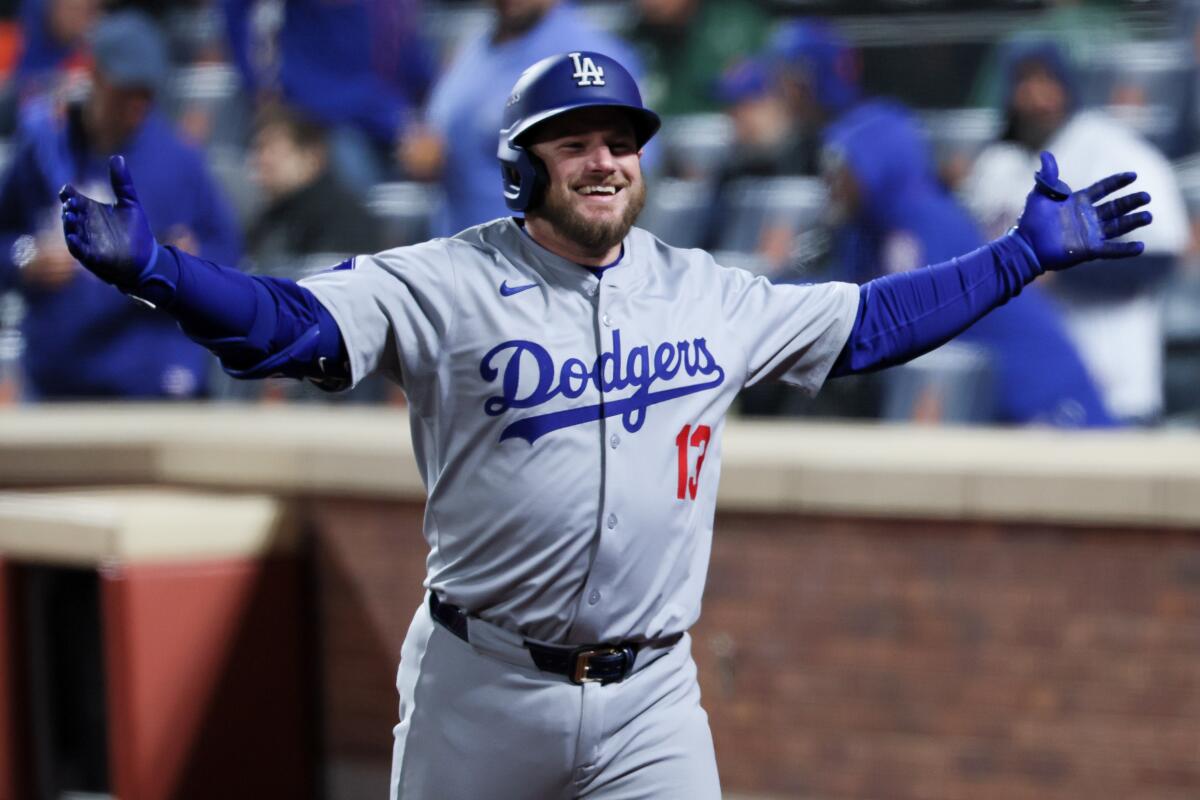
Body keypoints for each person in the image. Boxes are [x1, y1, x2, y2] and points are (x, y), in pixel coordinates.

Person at [58, 51, 1151, 798]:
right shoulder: (443, 280)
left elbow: (868, 324)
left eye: (619, 139)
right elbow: (289, 328)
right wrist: (161, 273)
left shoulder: (703, 291)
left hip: (651, 697)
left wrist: (1020, 255)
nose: (602, 159)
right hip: (479, 685)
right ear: (520, 165)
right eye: (572, 141)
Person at [823, 99, 1113, 426]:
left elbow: (915, 336)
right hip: (991, 403)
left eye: (845, 170)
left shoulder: (927, 226)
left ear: (879, 167)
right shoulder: (868, 233)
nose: (832, 183)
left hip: (1046, 394)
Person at [0, 11, 241, 399]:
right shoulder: (43, 149)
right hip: (57, 380)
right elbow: (6, 239)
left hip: (152, 379)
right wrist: (25, 257)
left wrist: (192, 264)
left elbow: (227, 253)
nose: (137, 104)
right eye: (126, 89)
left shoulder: (177, 160)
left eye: (146, 92)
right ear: (95, 75)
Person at [964, 41, 1190, 424]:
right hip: (1020, 392)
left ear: (1069, 84)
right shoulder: (993, 166)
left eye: (1047, 80)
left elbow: (1161, 255)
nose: (1037, 95)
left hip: (1113, 384)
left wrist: (1060, 269)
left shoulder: (1116, 152)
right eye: (1024, 82)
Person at [402, 0, 642, 236]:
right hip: (463, 250)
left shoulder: (588, 57)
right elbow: (437, 132)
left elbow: (624, 171)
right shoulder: (473, 48)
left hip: (539, 258)